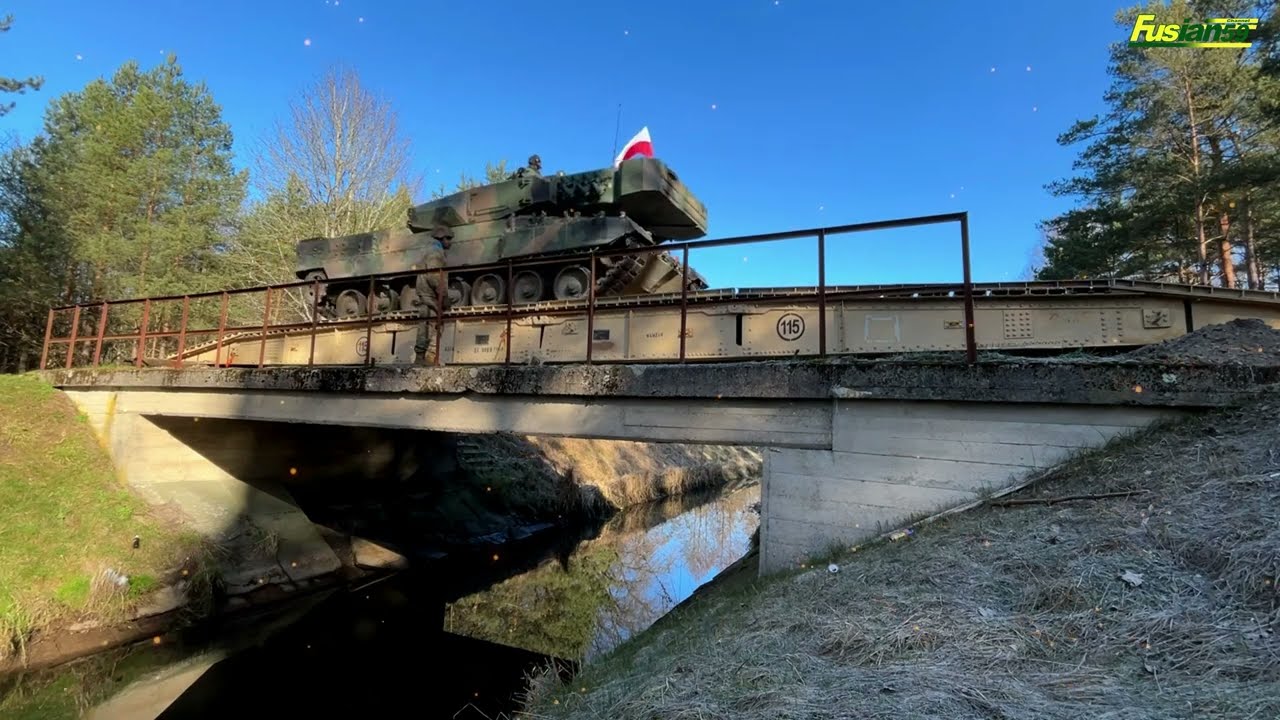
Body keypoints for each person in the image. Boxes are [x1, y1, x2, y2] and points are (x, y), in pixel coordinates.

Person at [413, 230, 451, 364]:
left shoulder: (431, 250)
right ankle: (423, 359)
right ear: (442, 238)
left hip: (429, 294)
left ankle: (426, 358)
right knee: (429, 325)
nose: (450, 242)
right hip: (430, 294)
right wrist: (443, 295)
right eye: (448, 238)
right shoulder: (435, 253)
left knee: (432, 324)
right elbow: (435, 275)